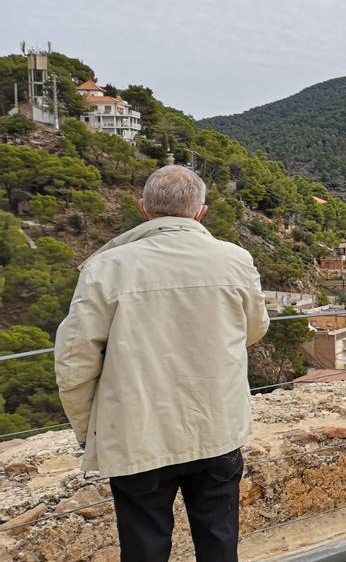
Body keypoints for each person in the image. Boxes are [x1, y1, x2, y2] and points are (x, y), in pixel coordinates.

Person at [55, 165, 271, 562]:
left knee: (144, 550)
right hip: (216, 427)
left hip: (139, 434)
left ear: (144, 208)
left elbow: (74, 362)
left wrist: (91, 431)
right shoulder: (235, 260)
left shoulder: (107, 267)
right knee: (220, 543)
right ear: (200, 212)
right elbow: (254, 330)